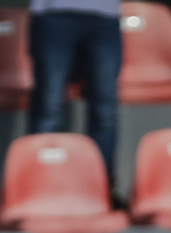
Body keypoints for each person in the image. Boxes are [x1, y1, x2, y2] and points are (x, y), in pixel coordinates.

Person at [28, 0, 122, 182]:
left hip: (105, 15)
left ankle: (101, 189)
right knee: (48, 107)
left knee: (105, 111)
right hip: (53, 13)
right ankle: (40, 186)